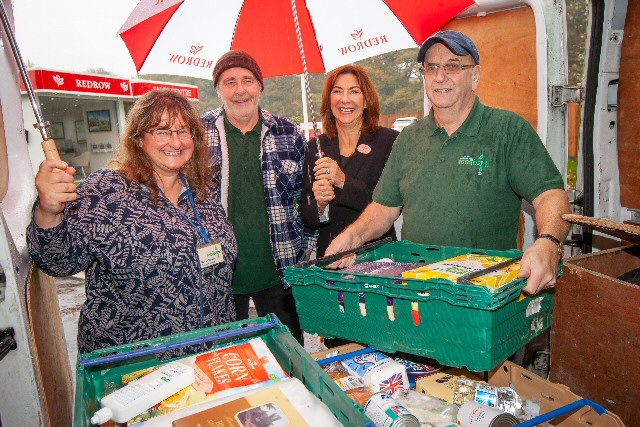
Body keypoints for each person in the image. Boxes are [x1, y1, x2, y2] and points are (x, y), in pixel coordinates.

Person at [325, 30, 571, 296]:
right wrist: (353, 237)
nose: (439, 77)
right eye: (431, 68)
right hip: (417, 290)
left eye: (453, 66)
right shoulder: (409, 138)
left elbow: (551, 195)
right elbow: (385, 207)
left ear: (475, 77)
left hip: (483, 296)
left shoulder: (508, 130)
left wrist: (548, 242)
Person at [27, 90, 237, 355]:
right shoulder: (105, 191)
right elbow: (58, 261)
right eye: (162, 131)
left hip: (209, 355)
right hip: (136, 365)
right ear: (139, 138)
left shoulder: (203, 192)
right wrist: (49, 212)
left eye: (184, 131)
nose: (175, 141)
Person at [202, 50, 317, 343]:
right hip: (219, 276)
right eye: (229, 82)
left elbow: (308, 200)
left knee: (289, 358)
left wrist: (309, 252)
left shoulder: (289, 132)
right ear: (218, 89)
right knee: (227, 362)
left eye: (247, 80)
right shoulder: (196, 134)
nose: (240, 90)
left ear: (260, 86)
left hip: (279, 270)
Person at [300, 64, 398, 257]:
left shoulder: (389, 142)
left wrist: (343, 181)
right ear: (329, 100)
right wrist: (319, 206)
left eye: (354, 91)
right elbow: (306, 214)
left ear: (366, 100)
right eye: (337, 91)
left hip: (376, 258)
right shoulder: (315, 148)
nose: (345, 100)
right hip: (330, 260)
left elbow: (388, 207)